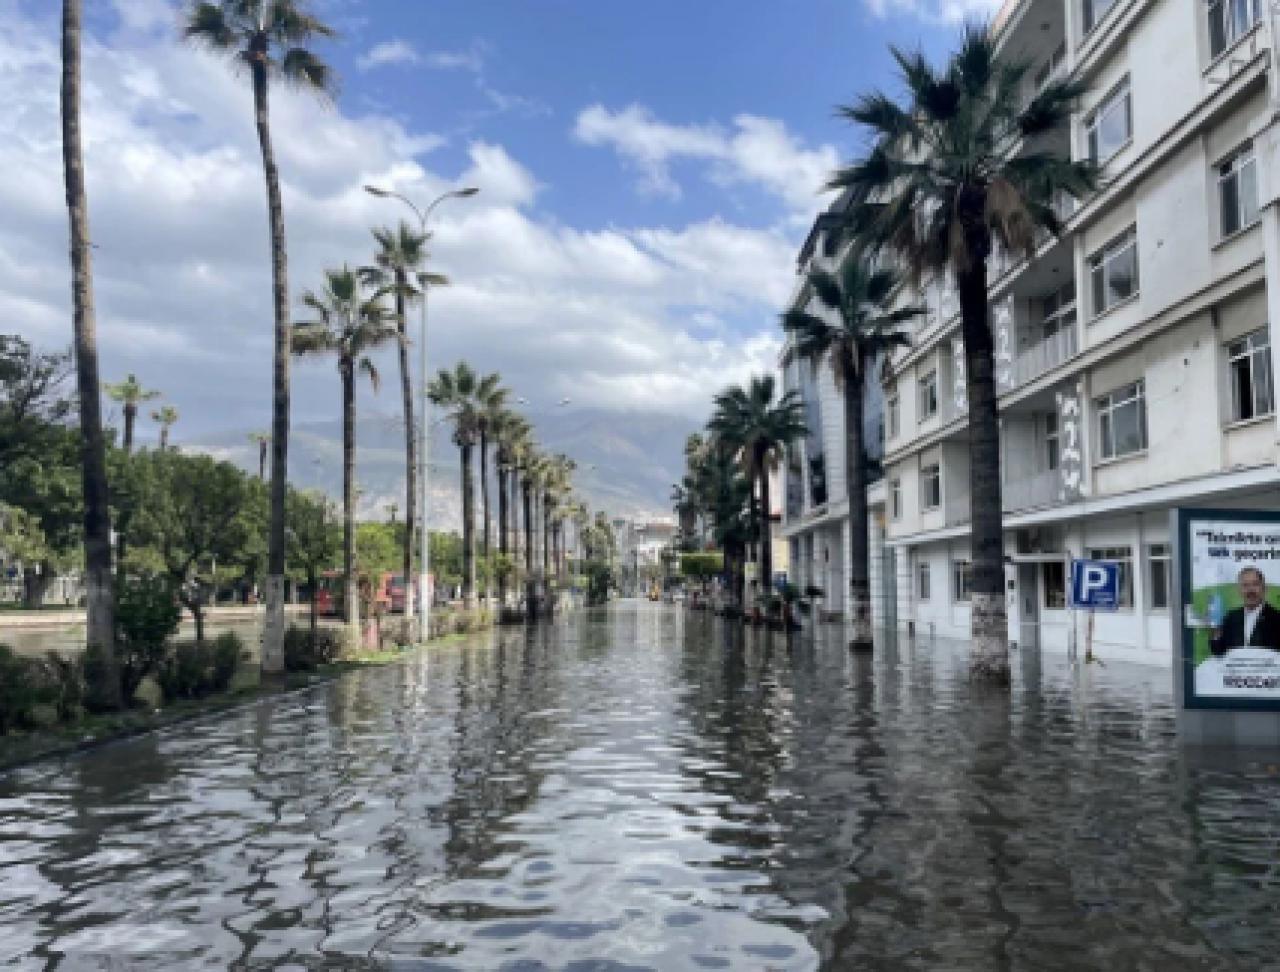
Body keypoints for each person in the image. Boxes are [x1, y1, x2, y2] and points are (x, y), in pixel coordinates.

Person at [1210, 566, 1280, 655]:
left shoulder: (1277, 618)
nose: (1250, 590)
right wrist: (1215, 629)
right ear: (1239, 590)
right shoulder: (1231, 618)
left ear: (1264, 588)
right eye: (1245, 585)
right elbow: (1218, 650)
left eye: (1255, 584)